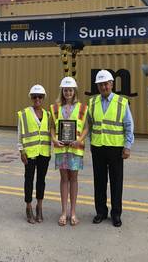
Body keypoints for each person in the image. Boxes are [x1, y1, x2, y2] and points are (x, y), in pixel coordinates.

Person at [86, 70, 134, 227]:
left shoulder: (122, 102)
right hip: (98, 147)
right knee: (99, 182)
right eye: (100, 85)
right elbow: (90, 125)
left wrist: (127, 146)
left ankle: (116, 214)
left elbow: (128, 125)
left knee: (116, 182)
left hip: (115, 148)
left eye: (106, 84)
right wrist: (91, 141)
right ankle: (100, 212)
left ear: (112, 84)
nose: (103, 87)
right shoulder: (92, 103)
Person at [49, 76, 88, 226]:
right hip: (61, 148)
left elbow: (86, 128)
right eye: (65, 90)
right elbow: (52, 126)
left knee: (74, 179)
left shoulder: (83, 108)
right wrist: (53, 139)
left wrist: (80, 140)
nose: (68, 92)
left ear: (74, 91)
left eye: (70, 90)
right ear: (62, 91)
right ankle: (64, 212)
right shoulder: (55, 108)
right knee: (64, 179)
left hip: (75, 148)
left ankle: (73, 213)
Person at [17, 84, 51, 224]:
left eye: (40, 97)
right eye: (35, 96)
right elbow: (20, 134)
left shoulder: (48, 115)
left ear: (43, 98)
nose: (37, 99)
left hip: (44, 152)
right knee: (29, 180)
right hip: (29, 153)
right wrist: (21, 151)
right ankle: (28, 207)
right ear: (31, 98)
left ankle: (39, 207)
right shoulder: (24, 114)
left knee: (41, 180)